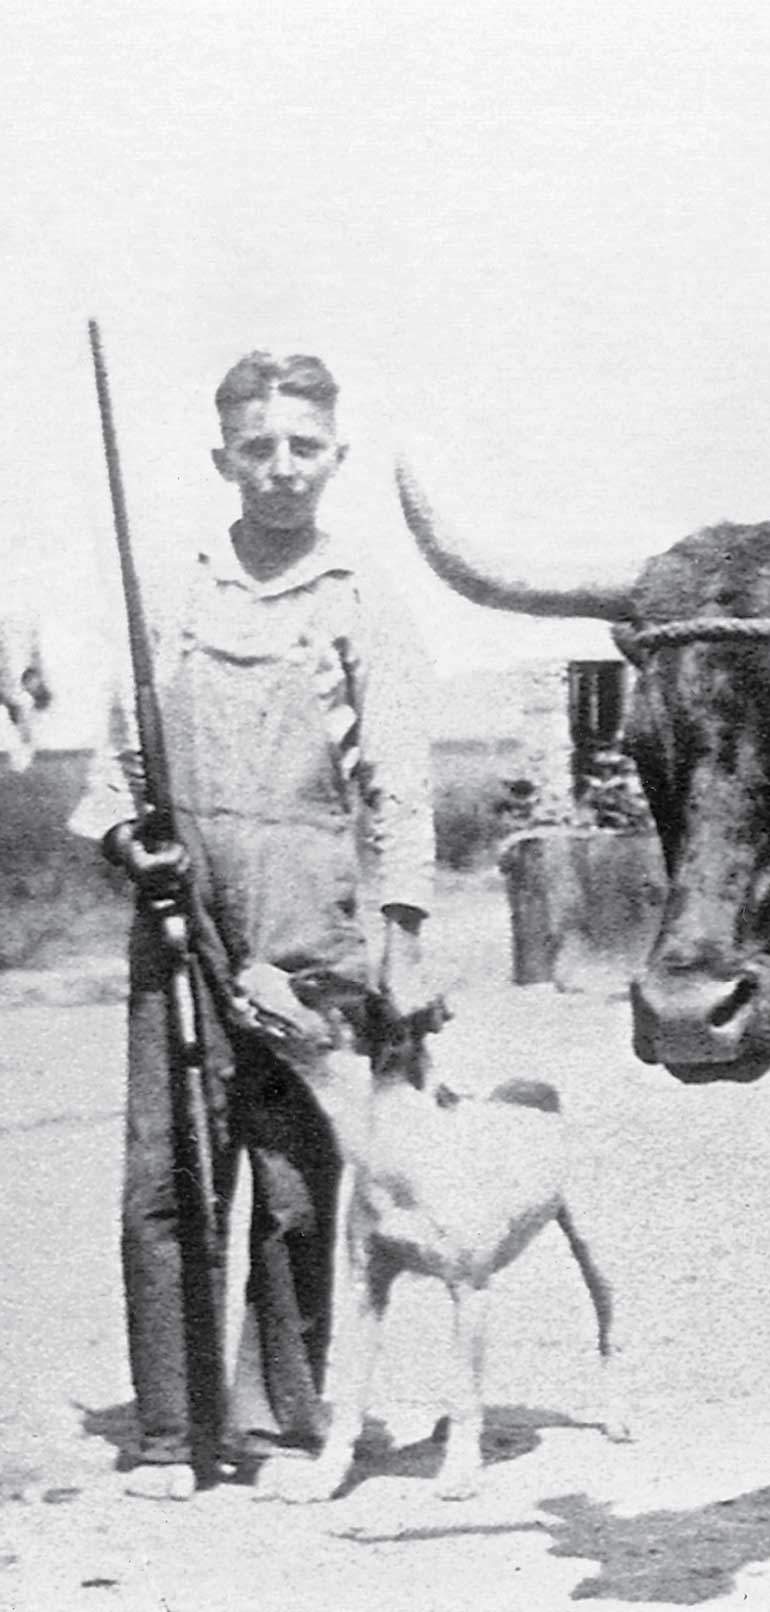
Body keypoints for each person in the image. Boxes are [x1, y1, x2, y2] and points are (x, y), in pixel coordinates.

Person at [71, 351, 438, 1499]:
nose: (280, 468)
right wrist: (141, 849)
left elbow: (401, 783)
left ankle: (281, 1420)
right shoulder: (173, 592)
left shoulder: (360, 594)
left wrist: (402, 937)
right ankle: (173, 1434)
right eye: (258, 446)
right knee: (169, 1168)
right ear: (222, 454)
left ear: (335, 454)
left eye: (303, 446)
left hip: (313, 922)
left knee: (295, 1177)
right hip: (185, 921)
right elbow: (111, 781)